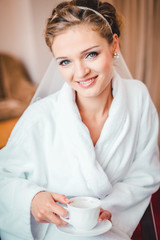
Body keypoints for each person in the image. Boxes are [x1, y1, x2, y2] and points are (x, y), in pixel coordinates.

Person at [0, 0, 160, 240]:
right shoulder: (39, 117)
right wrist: (31, 199)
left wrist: (107, 212)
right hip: (55, 230)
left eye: (91, 54)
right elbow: (3, 175)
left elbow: (145, 173)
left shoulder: (138, 98)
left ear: (114, 44)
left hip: (111, 224)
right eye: (65, 61)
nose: (80, 72)